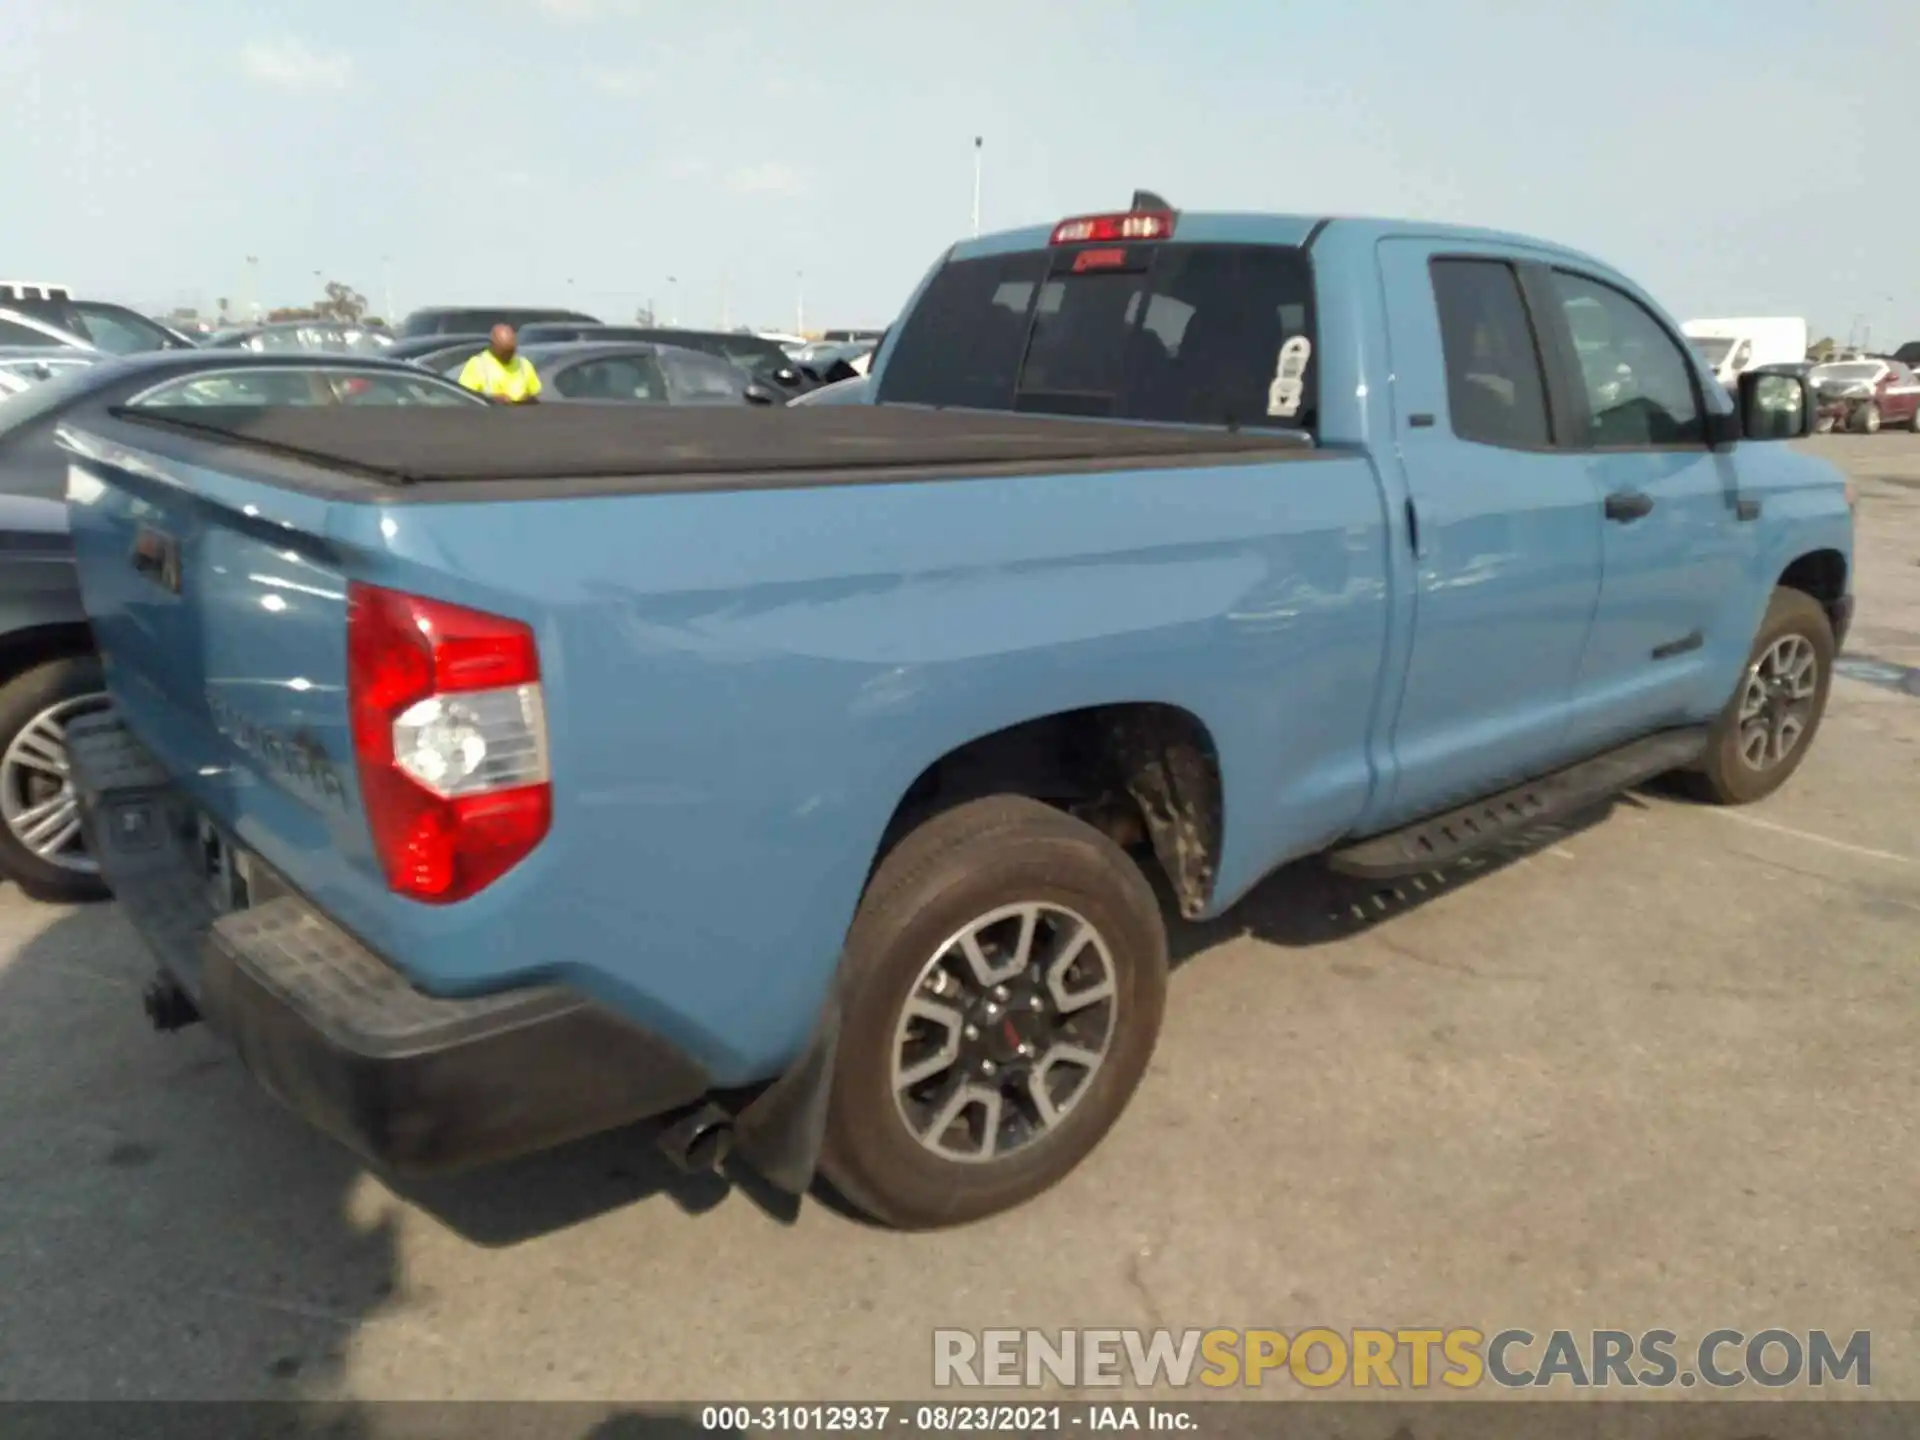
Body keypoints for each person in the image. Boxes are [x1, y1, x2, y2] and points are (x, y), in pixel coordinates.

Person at [457, 324, 542, 404]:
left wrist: (527, 399)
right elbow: (465, 398)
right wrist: (491, 400)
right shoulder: (477, 364)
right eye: (504, 351)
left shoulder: (523, 364)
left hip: (522, 417)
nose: (509, 355)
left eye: (511, 351)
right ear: (493, 346)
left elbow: (537, 395)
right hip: (492, 417)